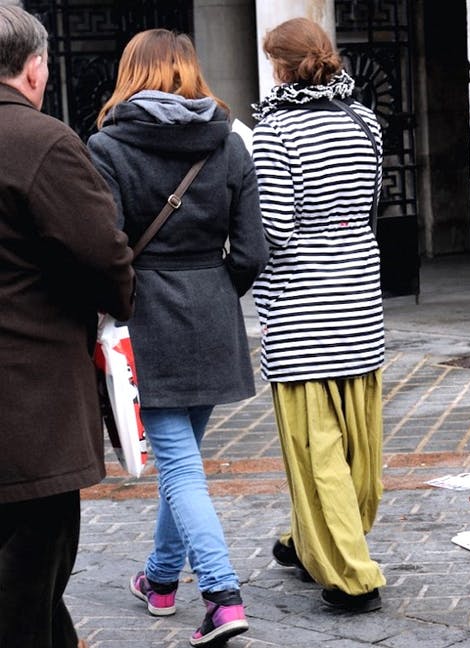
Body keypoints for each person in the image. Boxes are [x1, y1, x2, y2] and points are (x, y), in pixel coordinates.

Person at [87, 29, 267, 647]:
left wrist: (119, 308)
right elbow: (252, 250)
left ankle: (221, 595)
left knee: (181, 468)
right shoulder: (230, 141)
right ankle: (161, 581)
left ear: (130, 73)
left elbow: (108, 249)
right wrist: (215, 290)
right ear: (190, 70)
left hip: (148, 318)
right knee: (182, 460)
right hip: (213, 314)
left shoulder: (107, 146)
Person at [0, 6, 135, 648]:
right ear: (35, 69)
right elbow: (103, 257)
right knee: (28, 583)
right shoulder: (40, 141)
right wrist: (114, 302)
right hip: (27, 409)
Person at [250, 17, 386, 613]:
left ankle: (352, 577)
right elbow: (371, 204)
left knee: (317, 452)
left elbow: (276, 228)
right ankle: (306, 540)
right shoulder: (365, 120)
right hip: (359, 300)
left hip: (301, 309)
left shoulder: (275, 130)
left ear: (280, 66)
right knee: (358, 446)